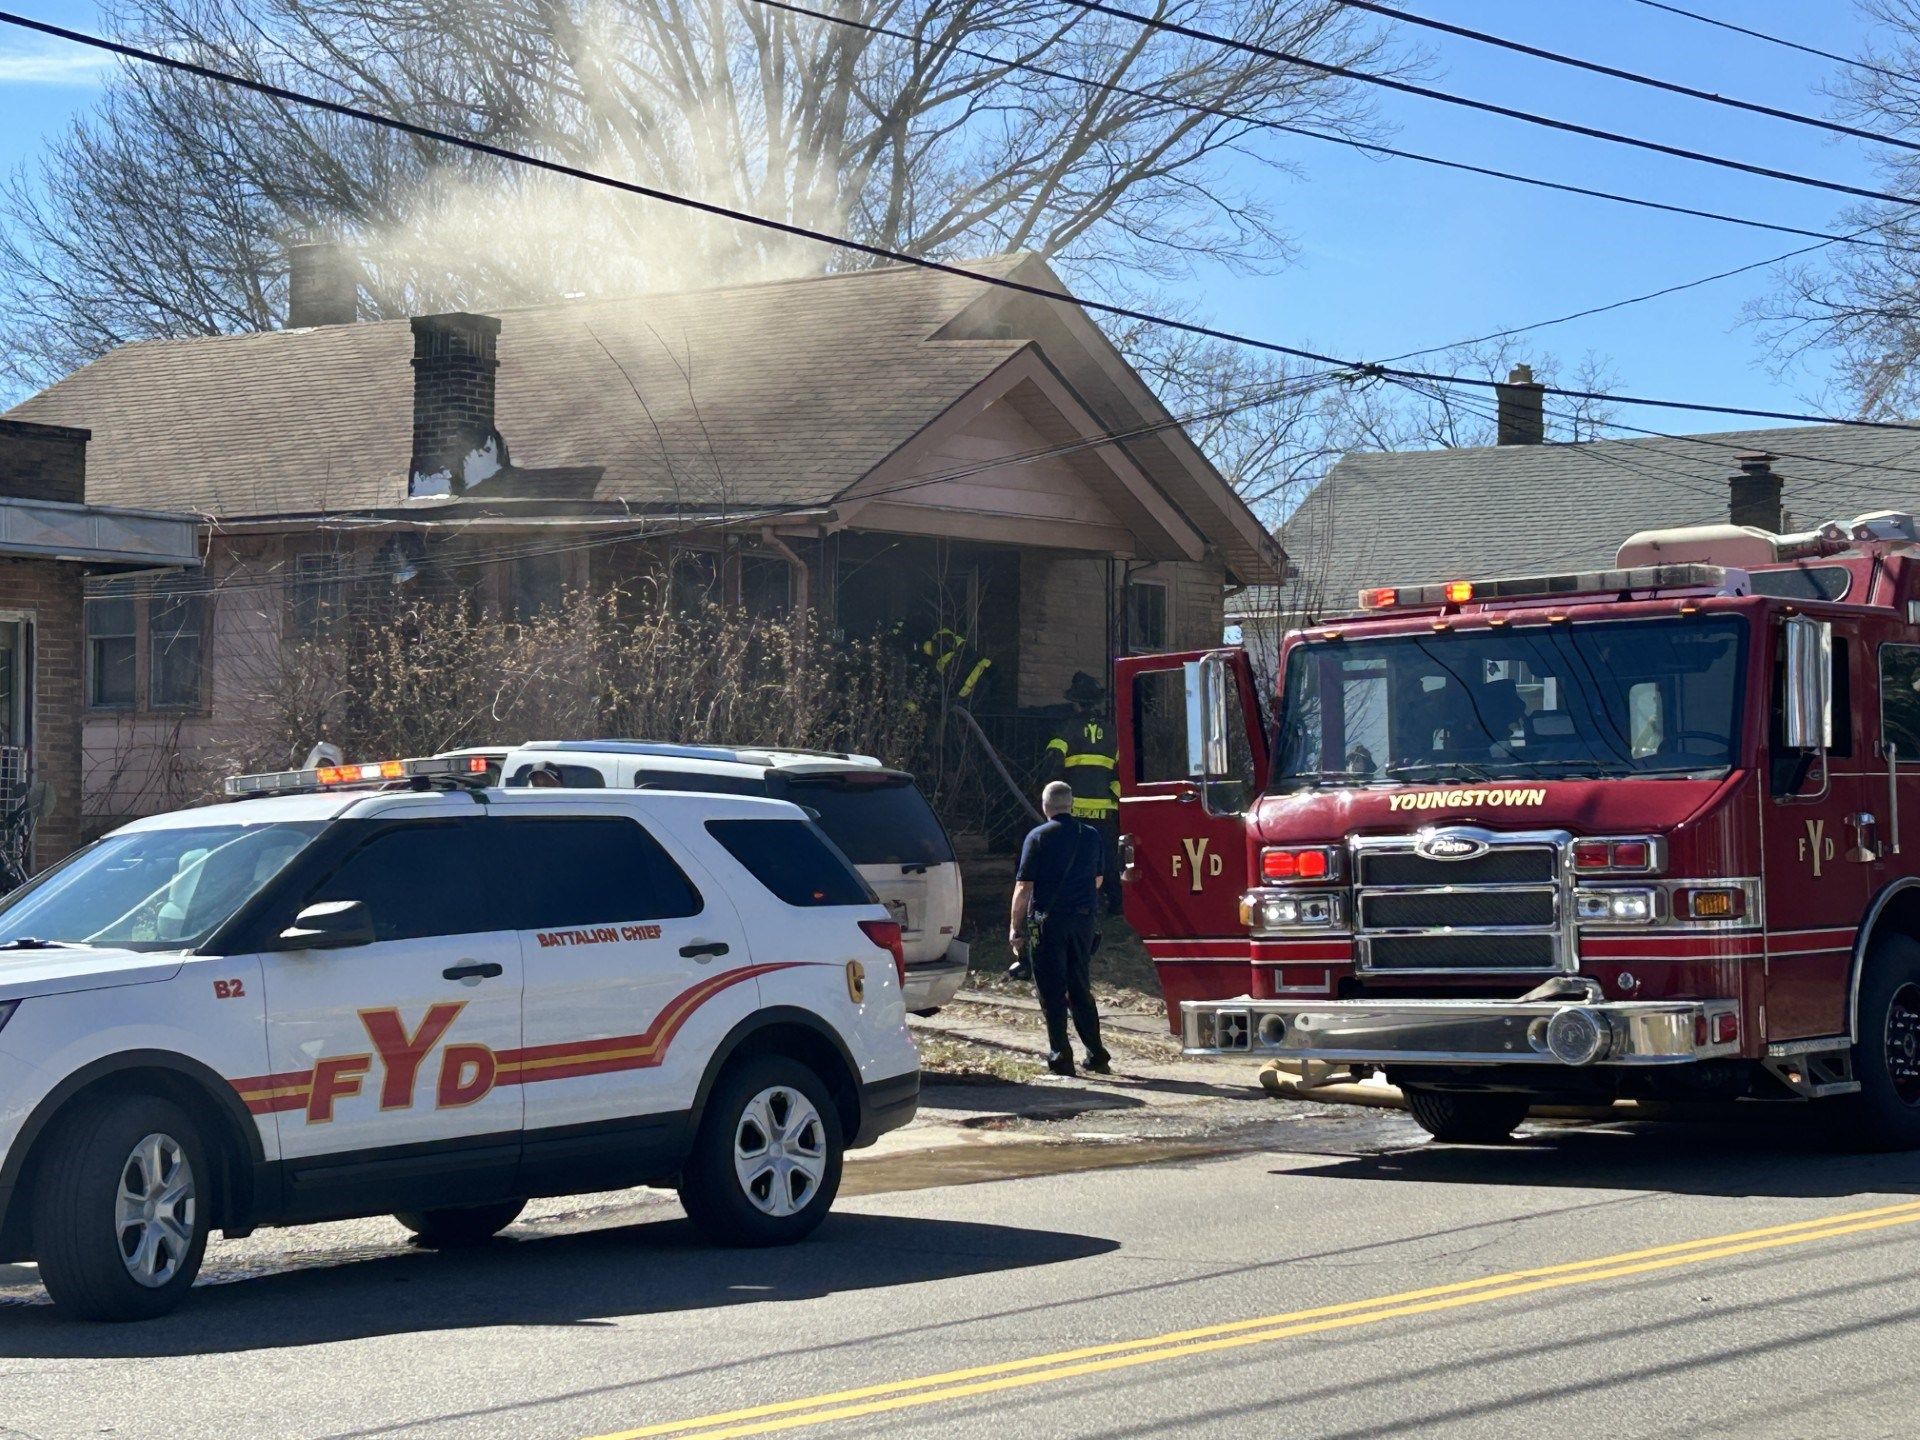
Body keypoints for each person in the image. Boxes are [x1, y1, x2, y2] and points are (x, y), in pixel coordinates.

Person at [1010, 780, 1112, 1077]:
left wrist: (1015, 928)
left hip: (1048, 923)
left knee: (1052, 991)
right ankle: (1096, 1054)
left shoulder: (1037, 837)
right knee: (1080, 987)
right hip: (1083, 922)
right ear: (1071, 804)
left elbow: (1023, 886)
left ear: (1045, 806)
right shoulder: (1091, 836)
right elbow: (1097, 880)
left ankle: (1061, 1056)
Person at [1041, 671, 1121, 914]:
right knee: (1105, 858)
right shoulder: (1111, 732)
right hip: (1105, 811)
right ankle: (1117, 906)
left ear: (1075, 703)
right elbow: (1120, 773)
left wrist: (1049, 795)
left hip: (1074, 810)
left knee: (1076, 860)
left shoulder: (1067, 729)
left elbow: (1052, 765)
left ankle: (1083, 905)